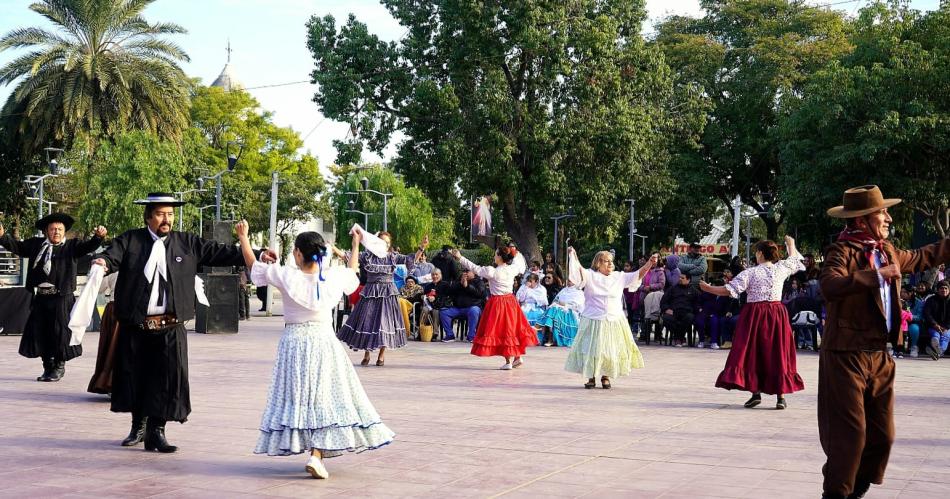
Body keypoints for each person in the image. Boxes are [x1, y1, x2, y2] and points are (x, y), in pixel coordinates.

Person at [93, 193, 274, 453]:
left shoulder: (186, 242)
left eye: (170, 214)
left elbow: (220, 252)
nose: (166, 219)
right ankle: (138, 427)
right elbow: (112, 255)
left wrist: (257, 253)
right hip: (138, 326)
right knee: (137, 377)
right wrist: (103, 262)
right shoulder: (131, 240)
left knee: (167, 380)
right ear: (148, 217)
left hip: (171, 326)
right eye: (160, 214)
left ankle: (157, 431)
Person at [817, 185, 950, 499]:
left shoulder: (886, 249)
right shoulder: (842, 251)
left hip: (880, 356)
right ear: (863, 219)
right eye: (883, 212)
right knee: (850, 436)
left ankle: (854, 490)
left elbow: (922, 257)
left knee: (883, 437)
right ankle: (836, 493)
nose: (889, 217)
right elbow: (829, 285)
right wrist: (875, 276)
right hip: (846, 353)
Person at [236, 221, 394, 479]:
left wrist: (243, 237)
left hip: (295, 341)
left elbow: (254, 268)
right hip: (323, 340)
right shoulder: (331, 277)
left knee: (300, 398)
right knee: (323, 397)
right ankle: (316, 454)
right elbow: (353, 273)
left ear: (298, 253)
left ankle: (314, 452)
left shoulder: (287, 275)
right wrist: (355, 245)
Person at [701, 237, 805, 410]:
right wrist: (791, 244)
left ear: (760, 253)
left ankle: (756, 392)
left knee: (753, 352)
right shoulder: (781, 268)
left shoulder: (751, 272)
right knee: (778, 352)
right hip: (777, 314)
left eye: (756, 252)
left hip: (755, 314)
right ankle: (780, 397)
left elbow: (729, 290)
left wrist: (708, 288)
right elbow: (794, 259)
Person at [0, 214, 106, 381]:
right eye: (52, 229)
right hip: (41, 297)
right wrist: (2, 236)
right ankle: (47, 366)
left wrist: (98, 237)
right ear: (46, 231)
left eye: (59, 229)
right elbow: (17, 247)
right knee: (41, 332)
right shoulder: (37, 245)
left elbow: (88, 247)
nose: (56, 232)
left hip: (61, 297)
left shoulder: (72, 246)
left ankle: (58, 366)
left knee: (60, 333)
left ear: (64, 231)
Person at [564, 247, 657, 389]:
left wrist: (650, 263)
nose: (610, 264)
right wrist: (573, 256)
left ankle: (605, 376)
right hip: (593, 319)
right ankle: (591, 377)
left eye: (611, 262)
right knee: (592, 349)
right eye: (606, 261)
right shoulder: (590, 275)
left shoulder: (619, 276)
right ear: (598, 263)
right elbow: (578, 271)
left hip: (613, 319)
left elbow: (638, 275)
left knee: (609, 349)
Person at [336, 231, 429, 366]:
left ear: (389, 245)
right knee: (367, 322)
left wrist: (422, 247)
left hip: (388, 293)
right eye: (381, 241)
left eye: (387, 242)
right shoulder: (367, 256)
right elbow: (347, 256)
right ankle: (367, 353)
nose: (384, 244)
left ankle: (381, 355)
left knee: (385, 324)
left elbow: (411, 259)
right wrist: (332, 247)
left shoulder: (392, 256)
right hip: (370, 291)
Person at [453, 246, 537, 369]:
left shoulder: (492, 271)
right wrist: (516, 253)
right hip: (510, 301)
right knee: (511, 330)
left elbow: (475, 268)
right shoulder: (512, 269)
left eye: (496, 254)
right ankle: (517, 356)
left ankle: (509, 361)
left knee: (501, 331)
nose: (494, 256)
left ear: (499, 257)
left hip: (497, 303)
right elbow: (520, 264)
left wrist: (460, 257)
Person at [440, 269, 485, 342]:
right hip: (457, 308)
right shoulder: (459, 280)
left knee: (474, 310)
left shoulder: (479, 282)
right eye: (464, 271)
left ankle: (471, 336)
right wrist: (460, 284)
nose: (465, 273)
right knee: (443, 312)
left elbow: (479, 293)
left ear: (474, 273)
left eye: (467, 271)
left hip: (472, 308)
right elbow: (449, 291)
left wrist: (467, 286)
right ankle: (450, 335)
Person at [660, 274, 697, 347]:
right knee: (666, 318)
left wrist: (693, 309)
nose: (680, 279)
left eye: (682, 278)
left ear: (688, 280)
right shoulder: (672, 289)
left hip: (687, 312)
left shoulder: (693, 290)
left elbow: (697, 303)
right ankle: (680, 338)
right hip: (674, 312)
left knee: (689, 317)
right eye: (679, 277)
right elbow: (663, 302)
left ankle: (677, 338)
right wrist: (666, 309)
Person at [923, 280, 950, 360]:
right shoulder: (931, 300)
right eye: (941, 288)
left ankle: (937, 352)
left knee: (945, 336)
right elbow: (927, 314)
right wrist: (935, 324)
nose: (944, 290)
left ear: (949, 290)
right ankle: (938, 350)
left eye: (946, 288)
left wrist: (946, 327)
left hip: (947, 327)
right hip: (933, 326)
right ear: (938, 289)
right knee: (936, 335)